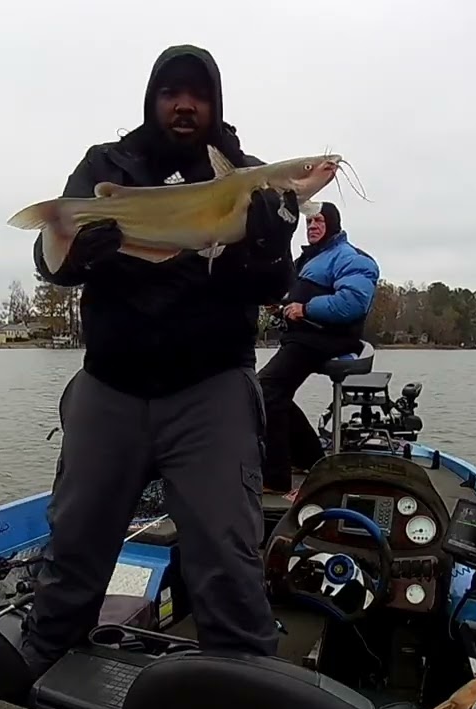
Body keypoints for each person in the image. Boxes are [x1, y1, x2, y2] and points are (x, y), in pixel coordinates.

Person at [21, 44, 300, 677]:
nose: (184, 104)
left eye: (197, 94)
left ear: (215, 104)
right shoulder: (106, 165)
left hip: (210, 389)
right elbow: (52, 260)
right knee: (74, 543)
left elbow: (275, 285)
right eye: (171, 92)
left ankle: (246, 684)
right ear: (152, 100)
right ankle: (34, 671)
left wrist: (264, 240)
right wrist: (79, 256)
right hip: (110, 385)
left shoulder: (249, 177)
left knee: (227, 558)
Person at [258, 201, 380, 493]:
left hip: (325, 338)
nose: (312, 227)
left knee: (265, 391)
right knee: (272, 393)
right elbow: (297, 297)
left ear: (333, 225)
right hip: (302, 337)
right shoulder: (313, 258)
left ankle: (275, 479)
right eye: (310, 223)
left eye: (319, 222)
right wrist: (283, 306)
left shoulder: (351, 258)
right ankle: (310, 459)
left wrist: (306, 308)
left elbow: (352, 303)